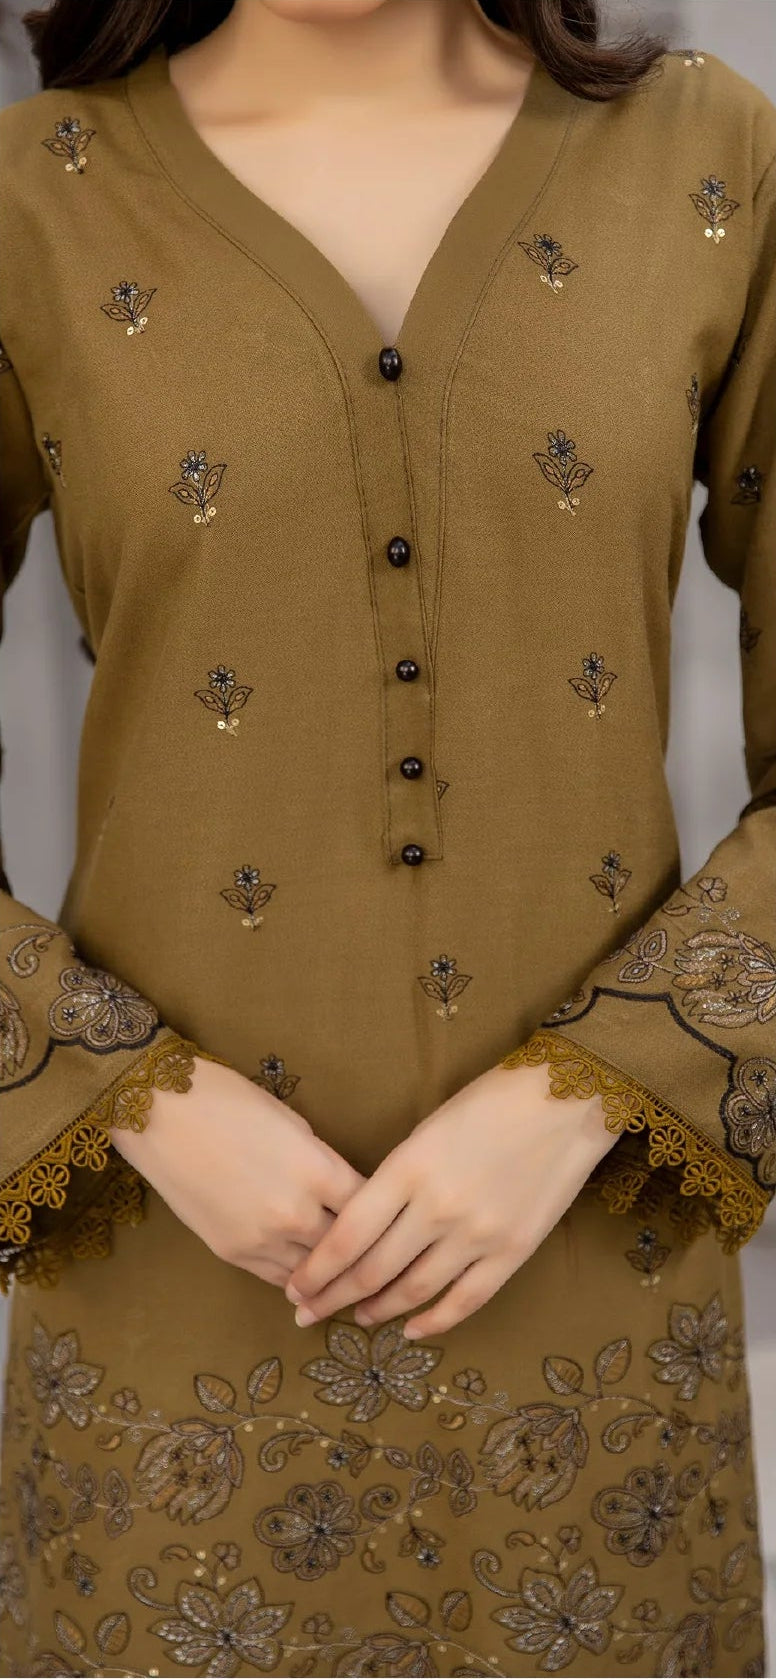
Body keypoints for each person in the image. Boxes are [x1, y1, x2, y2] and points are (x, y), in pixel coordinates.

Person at [0, 0, 774, 1671]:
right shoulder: (31, 202)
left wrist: (599, 1092)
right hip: (167, 1306)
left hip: (596, 1300)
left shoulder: (714, 161)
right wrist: (114, 1093)